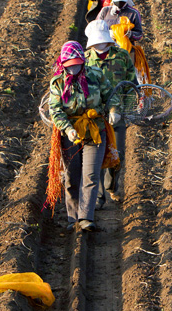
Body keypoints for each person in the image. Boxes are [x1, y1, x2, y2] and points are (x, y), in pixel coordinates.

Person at [48, 41, 121, 232]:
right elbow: (55, 110)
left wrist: (113, 110)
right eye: (70, 66)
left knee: (91, 175)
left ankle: (86, 217)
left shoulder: (96, 75)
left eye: (77, 64)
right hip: (70, 134)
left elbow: (110, 95)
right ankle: (73, 217)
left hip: (95, 131)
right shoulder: (58, 84)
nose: (74, 69)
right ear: (63, 65)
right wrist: (68, 129)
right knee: (72, 176)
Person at [84, 20, 136, 208]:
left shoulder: (121, 56)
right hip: (95, 116)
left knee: (117, 153)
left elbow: (132, 85)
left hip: (118, 114)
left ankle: (111, 186)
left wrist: (126, 111)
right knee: (94, 156)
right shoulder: (86, 59)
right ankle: (98, 198)